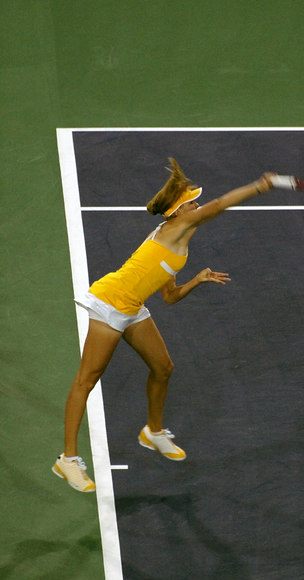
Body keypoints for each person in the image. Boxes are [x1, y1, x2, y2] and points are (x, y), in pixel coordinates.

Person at [52, 158, 274, 492]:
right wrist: (257, 186)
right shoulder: (175, 228)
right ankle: (67, 460)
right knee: (87, 380)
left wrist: (197, 279)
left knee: (163, 367)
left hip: (132, 306)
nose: (197, 206)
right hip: (112, 302)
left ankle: (152, 432)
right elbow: (218, 206)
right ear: (179, 211)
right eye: (192, 203)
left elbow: (168, 296)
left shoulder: (176, 240)